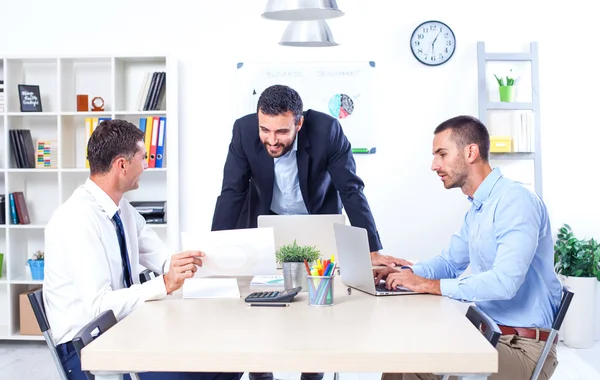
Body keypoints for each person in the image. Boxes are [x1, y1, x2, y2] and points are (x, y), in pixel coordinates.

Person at [43, 119, 243, 380]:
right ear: (122, 165)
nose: (147, 165)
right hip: (88, 350)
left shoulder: (121, 209)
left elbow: (163, 261)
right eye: (143, 157)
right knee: (212, 370)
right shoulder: (77, 219)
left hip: (124, 331)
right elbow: (99, 307)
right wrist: (166, 283)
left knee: (228, 358)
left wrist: (194, 262)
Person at [375, 115, 562, 380]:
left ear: (471, 152)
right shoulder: (478, 207)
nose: (434, 165)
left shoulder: (515, 201)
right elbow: (451, 263)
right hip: (489, 337)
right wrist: (404, 270)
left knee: (416, 356)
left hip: (522, 349)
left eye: (442, 154)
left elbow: (505, 283)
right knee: (404, 349)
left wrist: (429, 285)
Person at [212, 84, 401, 268]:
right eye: (265, 130)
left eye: (282, 131)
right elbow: (232, 191)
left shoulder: (327, 131)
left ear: (299, 123)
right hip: (265, 219)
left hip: (317, 217)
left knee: (322, 281)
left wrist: (370, 249)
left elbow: (350, 189)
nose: (272, 140)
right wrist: (216, 247)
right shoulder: (243, 131)